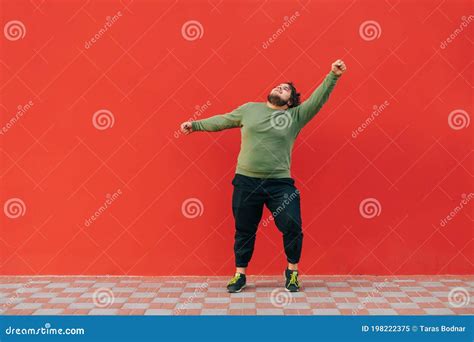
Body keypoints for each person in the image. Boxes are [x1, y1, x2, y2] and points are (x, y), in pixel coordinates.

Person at [180, 60, 346, 293]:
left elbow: (318, 100)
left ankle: (292, 273)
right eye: (278, 86)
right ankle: (239, 275)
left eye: (286, 89)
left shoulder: (295, 116)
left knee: (292, 224)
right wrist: (195, 124)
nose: (280, 88)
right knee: (244, 229)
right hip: (246, 181)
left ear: (290, 102)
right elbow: (223, 120)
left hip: (280, 184)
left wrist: (333, 76)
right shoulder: (249, 109)